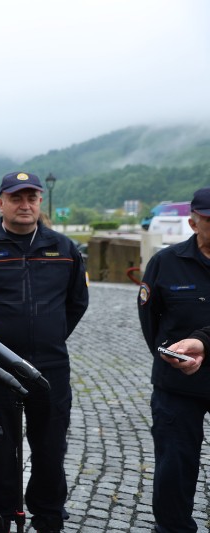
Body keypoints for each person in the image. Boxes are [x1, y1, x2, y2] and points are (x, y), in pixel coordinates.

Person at [0, 171, 89, 533]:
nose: (25, 205)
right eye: (16, 198)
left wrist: (50, 336)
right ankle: (0, 517)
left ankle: (49, 515)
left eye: (31, 198)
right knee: (0, 452)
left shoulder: (64, 249)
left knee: (51, 449)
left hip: (51, 366)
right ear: (1, 202)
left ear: (39, 202)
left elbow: (76, 303)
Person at [138, 186, 210, 532]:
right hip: (177, 384)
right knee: (174, 466)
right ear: (194, 222)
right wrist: (168, 352)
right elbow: (150, 321)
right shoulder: (165, 263)